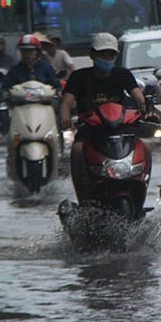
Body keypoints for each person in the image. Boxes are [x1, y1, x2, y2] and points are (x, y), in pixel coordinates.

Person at [60, 32, 146, 201]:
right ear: (92, 55)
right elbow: (66, 102)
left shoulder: (123, 75)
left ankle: (139, 192)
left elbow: (138, 96)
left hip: (120, 132)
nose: (107, 58)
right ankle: (83, 197)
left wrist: (144, 109)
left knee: (145, 148)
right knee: (77, 151)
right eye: (102, 54)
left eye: (111, 54)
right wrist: (65, 118)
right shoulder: (79, 77)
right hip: (90, 133)